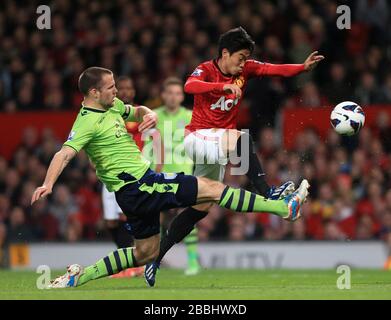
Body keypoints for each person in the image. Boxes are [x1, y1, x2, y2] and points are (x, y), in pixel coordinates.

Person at [30, 66, 309, 289]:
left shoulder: (111, 106)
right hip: (140, 184)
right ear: (93, 92)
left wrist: (147, 113)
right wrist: (48, 183)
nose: (117, 91)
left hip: (132, 193)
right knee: (212, 189)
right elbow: (64, 154)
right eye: (111, 87)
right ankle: (282, 208)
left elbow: (135, 110)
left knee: (145, 254)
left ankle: (79, 276)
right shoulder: (86, 121)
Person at [144, 26, 324, 286]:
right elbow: (189, 85)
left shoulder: (246, 69)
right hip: (197, 138)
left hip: (217, 145)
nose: (243, 64)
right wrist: (222, 88)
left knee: (202, 206)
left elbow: (273, 68)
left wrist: (301, 68)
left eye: (245, 59)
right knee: (241, 138)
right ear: (225, 53)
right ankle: (268, 193)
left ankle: (155, 258)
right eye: (240, 58)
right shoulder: (206, 69)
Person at [145, 77, 200, 275]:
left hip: (183, 174)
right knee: (155, 219)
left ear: (182, 96)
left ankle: (193, 261)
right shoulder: (154, 116)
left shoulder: (191, 116)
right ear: (163, 95)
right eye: (170, 93)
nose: (173, 97)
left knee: (186, 216)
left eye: (177, 93)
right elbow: (147, 145)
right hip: (158, 175)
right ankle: (154, 260)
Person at [101, 75, 144, 278]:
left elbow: (155, 140)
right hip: (110, 173)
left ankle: (129, 265)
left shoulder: (138, 114)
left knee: (125, 216)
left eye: (129, 88)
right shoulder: (107, 113)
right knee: (110, 220)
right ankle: (128, 263)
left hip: (131, 173)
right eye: (122, 88)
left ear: (134, 92)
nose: (126, 91)